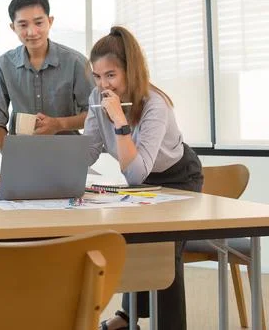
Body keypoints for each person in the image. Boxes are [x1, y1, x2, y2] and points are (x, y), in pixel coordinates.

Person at [85, 26, 204, 330]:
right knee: (131, 239)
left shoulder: (155, 104)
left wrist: (120, 122)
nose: (103, 85)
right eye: (97, 76)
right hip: (145, 180)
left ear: (130, 70)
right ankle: (128, 316)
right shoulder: (96, 99)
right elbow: (89, 149)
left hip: (179, 177)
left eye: (110, 75)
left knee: (164, 251)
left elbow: (138, 173)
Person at [0, 0, 94, 151]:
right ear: (13, 27)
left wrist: (59, 124)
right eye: (23, 25)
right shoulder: (3, 65)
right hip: (21, 155)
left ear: (50, 21)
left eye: (38, 23)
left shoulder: (76, 62)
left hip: (68, 153)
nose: (32, 32)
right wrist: (12, 155)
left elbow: (95, 115)